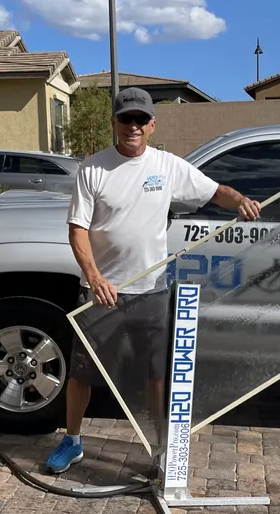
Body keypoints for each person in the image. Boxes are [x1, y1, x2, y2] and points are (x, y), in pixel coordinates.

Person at [45, 87, 261, 474]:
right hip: (102, 295)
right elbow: (77, 231)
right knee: (83, 374)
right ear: (114, 123)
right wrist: (94, 278)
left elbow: (214, 192)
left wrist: (241, 200)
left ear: (152, 125)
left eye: (141, 120)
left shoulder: (167, 166)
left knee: (156, 374)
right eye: (126, 119)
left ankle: (161, 451)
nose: (133, 127)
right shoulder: (93, 169)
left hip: (151, 292)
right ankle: (72, 440)